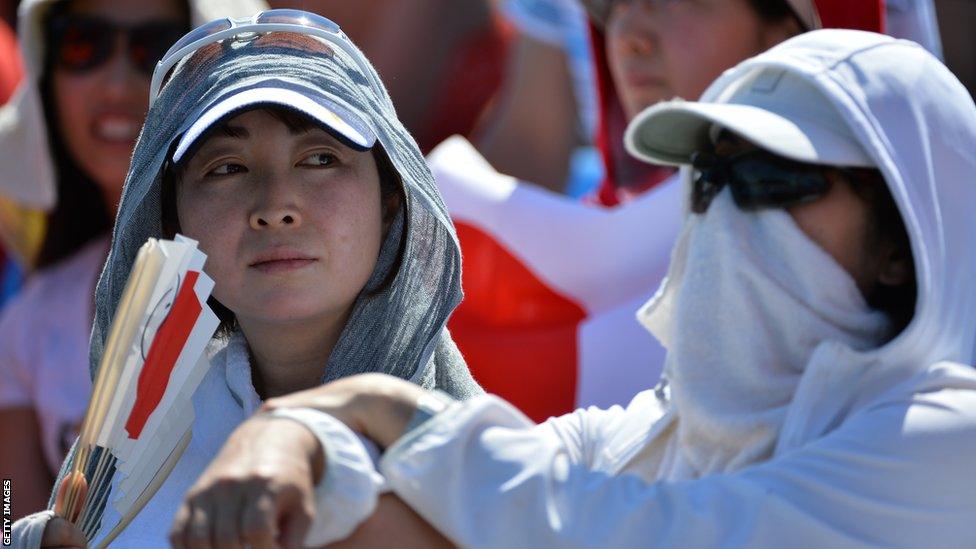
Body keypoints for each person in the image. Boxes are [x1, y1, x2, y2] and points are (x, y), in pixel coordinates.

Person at [172, 29, 976, 546]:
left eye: (775, 178)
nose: (731, 208)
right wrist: (297, 449)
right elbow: (421, 499)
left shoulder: (950, 436)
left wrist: (339, 410)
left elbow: (625, 532)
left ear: (904, 241)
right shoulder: (654, 432)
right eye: (710, 178)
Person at [13, 8, 482, 547]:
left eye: (321, 158)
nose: (275, 206)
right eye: (227, 168)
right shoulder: (132, 444)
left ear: (390, 200)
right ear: (172, 222)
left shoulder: (466, 460)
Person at [444, 0, 889, 422]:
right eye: (613, 5)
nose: (629, 37)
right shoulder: (591, 248)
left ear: (787, 33)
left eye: (676, 0)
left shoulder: (912, 411)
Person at [0, 0, 200, 519]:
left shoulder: (280, 270)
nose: (115, 85)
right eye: (82, 42)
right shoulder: (30, 319)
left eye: (156, 49)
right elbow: (7, 518)